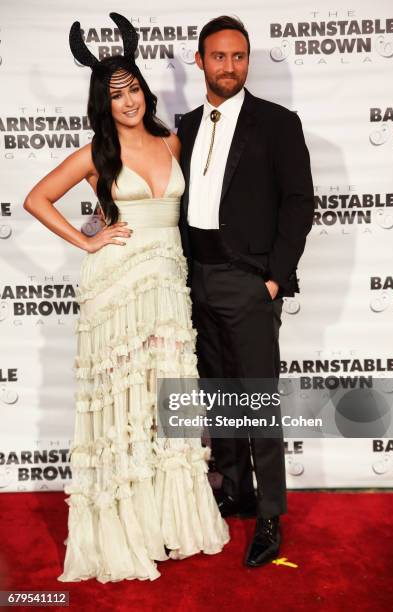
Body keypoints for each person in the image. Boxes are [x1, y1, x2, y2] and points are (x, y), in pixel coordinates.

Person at [23, 13, 229, 583]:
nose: (128, 100)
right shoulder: (97, 153)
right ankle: (126, 529)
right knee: (123, 406)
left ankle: (169, 522)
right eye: (115, 95)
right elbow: (36, 199)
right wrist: (87, 239)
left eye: (133, 88)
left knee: (165, 402)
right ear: (103, 103)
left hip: (166, 288)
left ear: (144, 90)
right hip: (116, 288)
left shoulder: (172, 141)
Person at [177, 15, 314, 567]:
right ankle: (234, 489)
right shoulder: (183, 126)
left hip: (249, 279)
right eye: (218, 56)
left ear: (247, 61)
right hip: (196, 278)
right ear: (200, 61)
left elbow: (298, 203)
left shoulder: (277, 123)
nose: (228, 66)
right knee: (219, 394)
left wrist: (274, 278)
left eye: (238, 57)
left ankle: (270, 517)